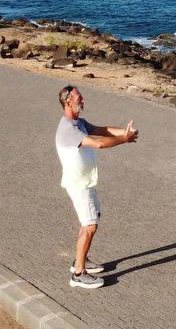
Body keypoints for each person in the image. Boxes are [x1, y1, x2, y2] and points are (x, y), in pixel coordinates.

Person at [55, 85, 137, 289]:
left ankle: (80, 260)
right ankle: (78, 273)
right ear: (68, 102)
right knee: (90, 226)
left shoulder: (79, 123)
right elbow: (98, 143)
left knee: (88, 223)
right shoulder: (68, 129)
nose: (83, 101)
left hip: (86, 182)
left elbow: (102, 130)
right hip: (79, 185)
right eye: (79, 98)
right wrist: (124, 139)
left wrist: (124, 131)